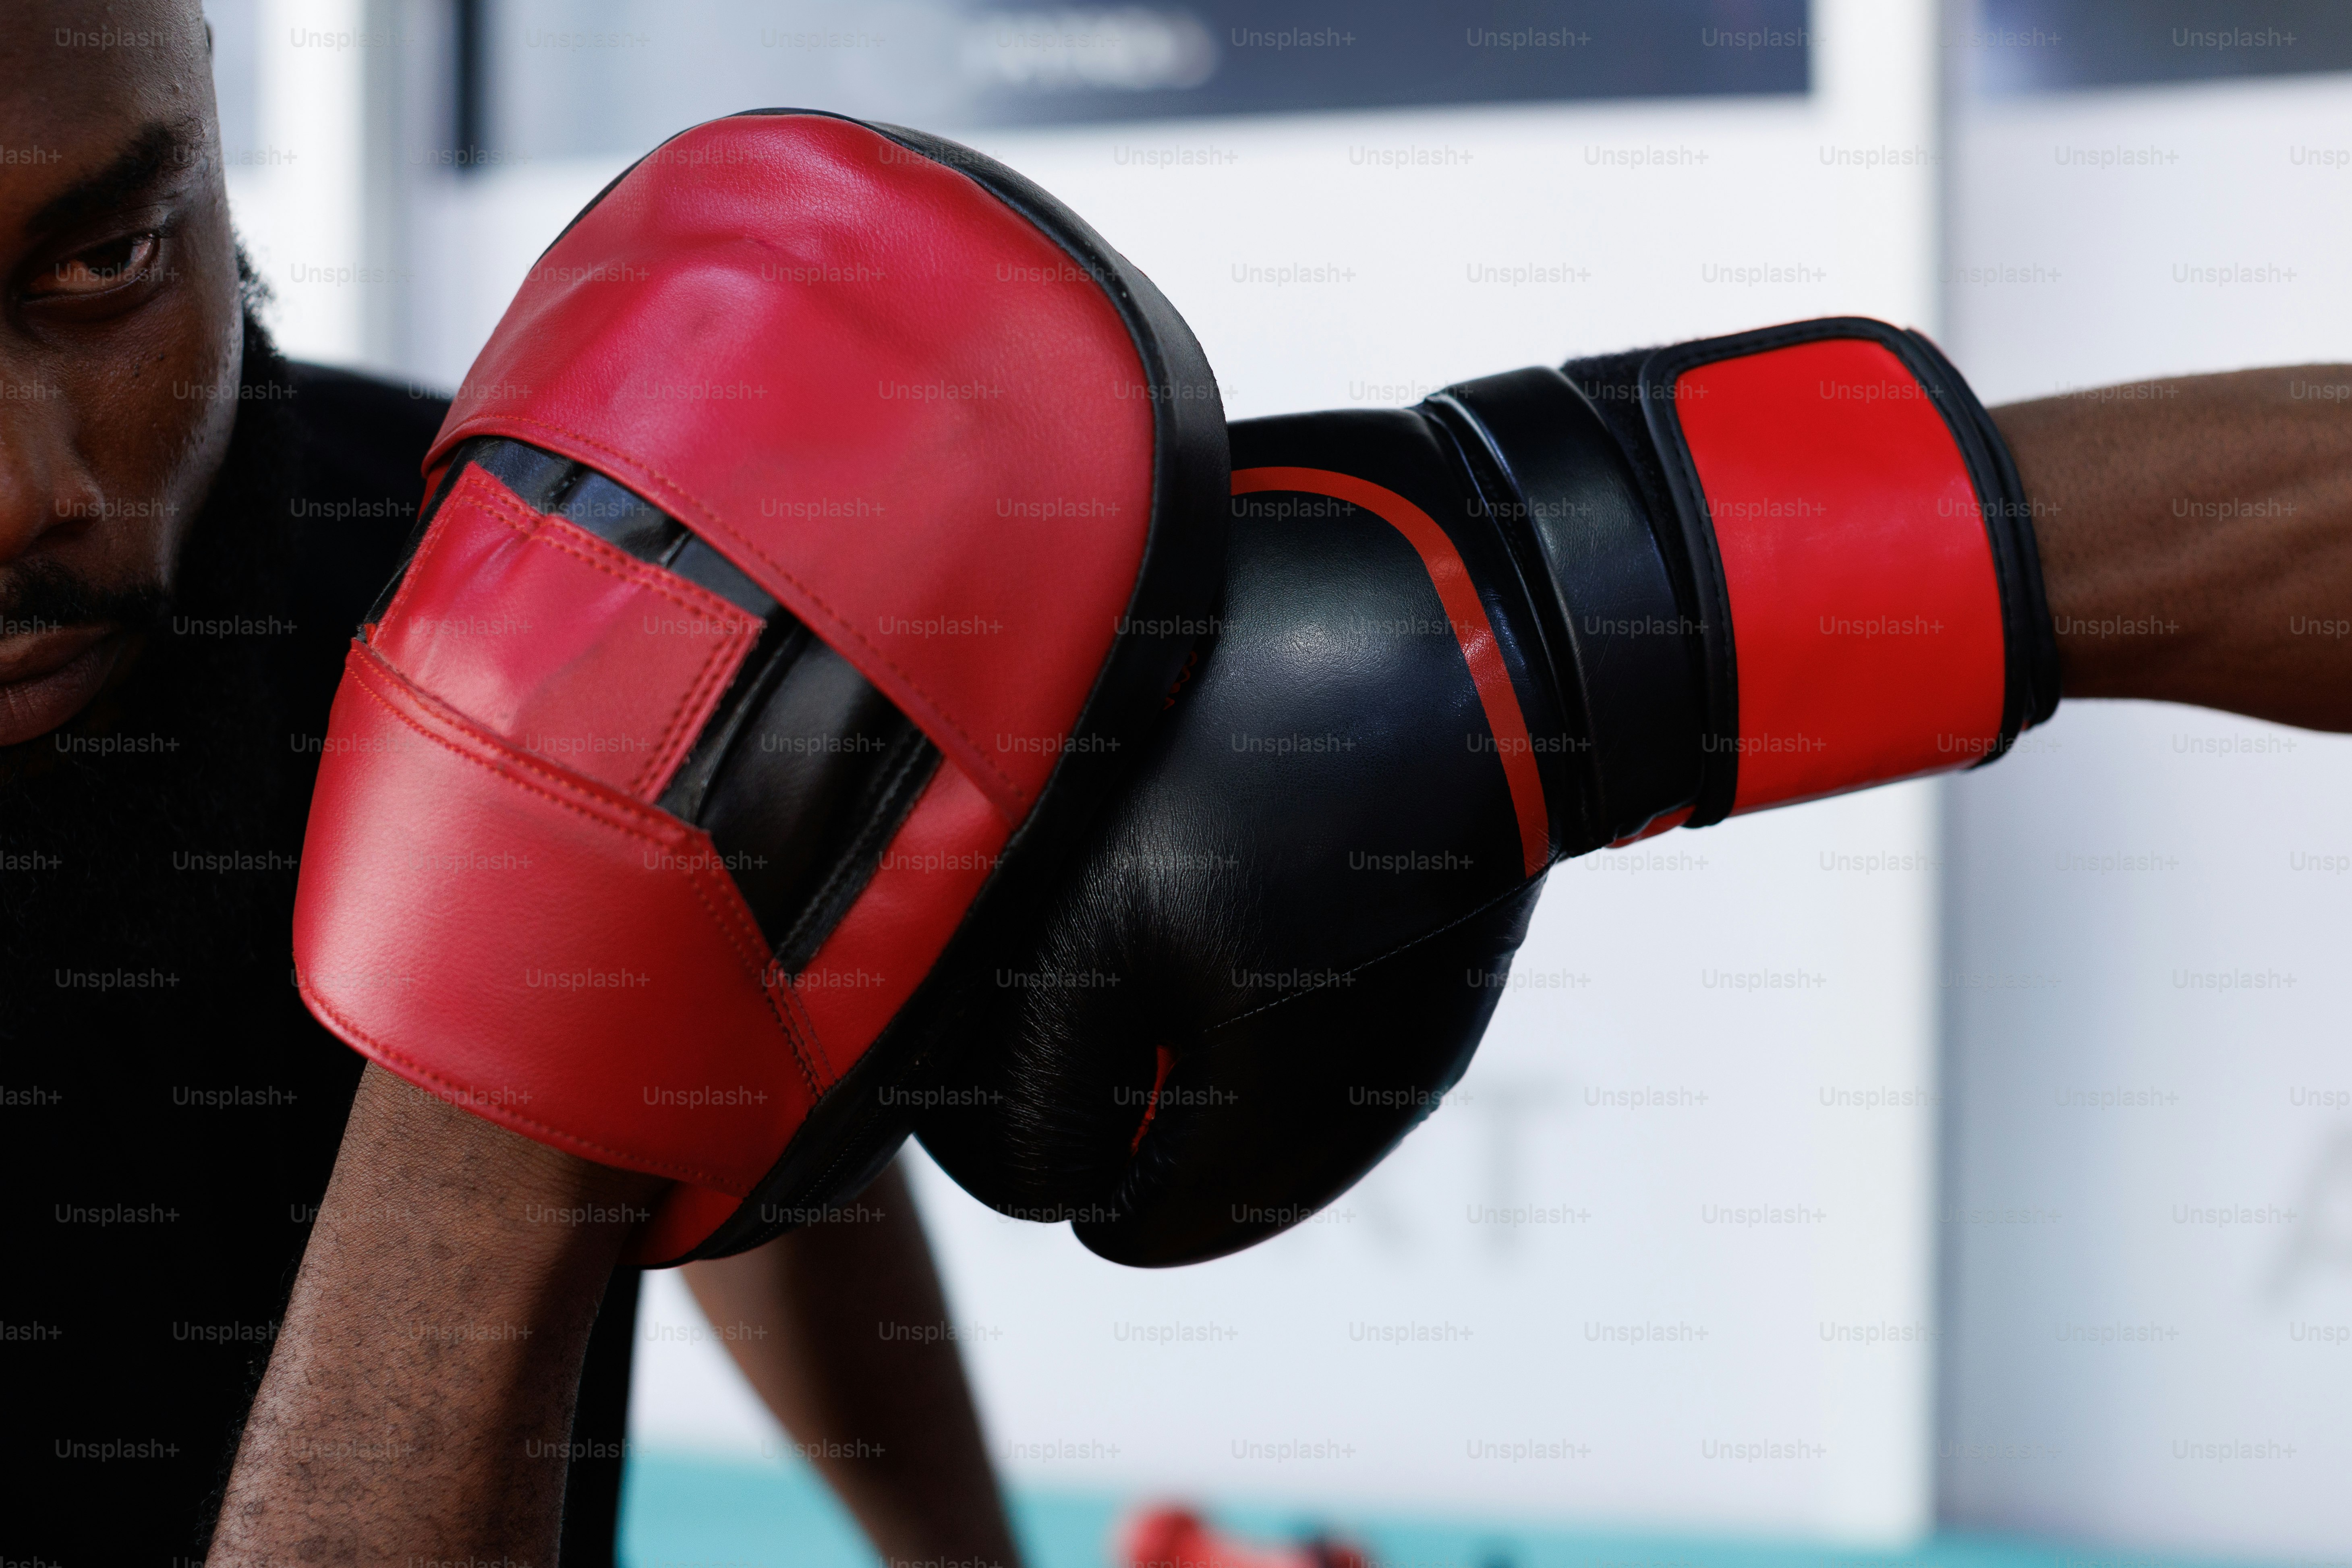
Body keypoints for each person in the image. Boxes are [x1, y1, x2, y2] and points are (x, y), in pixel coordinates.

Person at [0, 8, 1022, 1565]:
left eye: (106, 262)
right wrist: (485, 1113)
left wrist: (967, 1560)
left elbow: (713, 1074)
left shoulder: (468, 556)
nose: (24, 494)